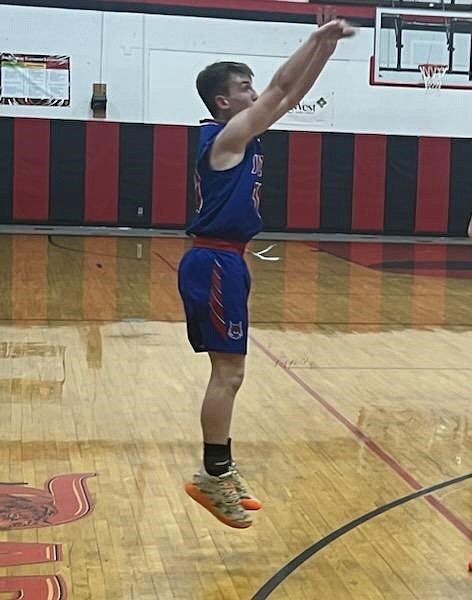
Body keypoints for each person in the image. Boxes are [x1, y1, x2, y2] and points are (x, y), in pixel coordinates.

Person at [178, 19, 356, 529]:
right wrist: (315, 39)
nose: (254, 93)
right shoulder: (226, 137)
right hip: (214, 261)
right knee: (228, 373)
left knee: (232, 373)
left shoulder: (242, 131)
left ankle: (221, 470)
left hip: (228, 259)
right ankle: (213, 475)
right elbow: (280, 90)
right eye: (243, 88)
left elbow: (288, 94)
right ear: (223, 103)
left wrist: (322, 49)